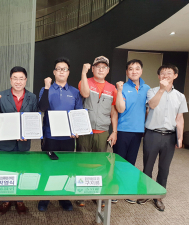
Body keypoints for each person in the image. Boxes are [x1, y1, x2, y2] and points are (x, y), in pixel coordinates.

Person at [137, 64, 188, 211]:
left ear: (175, 76)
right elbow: (152, 105)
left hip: (169, 136)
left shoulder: (180, 96)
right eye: (163, 73)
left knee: (164, 168)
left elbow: (180, 119)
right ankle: (145, 192)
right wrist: (161, 89)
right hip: (152, 134)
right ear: (159, 76)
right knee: (148, 166)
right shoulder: (151, 91)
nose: (165, 75)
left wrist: (180, 138)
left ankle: (158, 196)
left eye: (169, 73)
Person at [0, 66, 38, 215]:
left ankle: (20, 200)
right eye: (15, 78)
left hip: (24, 142)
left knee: (22, 170)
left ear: (26, 80)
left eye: (21, 78)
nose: (18, 81)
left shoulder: (32, 97)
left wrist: (28, 132)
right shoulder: (1, 96)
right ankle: (6, 200)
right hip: (6, 142)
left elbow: (34, 118)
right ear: (10, 79)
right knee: (5, 171)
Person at [37, 57, 83, 212]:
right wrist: (47, 87)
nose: (61, 71)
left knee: (66, 168)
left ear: (68, 72)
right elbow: (42, 108)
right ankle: (45, 198)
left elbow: (78, 114)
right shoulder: (46, 89)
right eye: (58, 68)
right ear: (54, 72)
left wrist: (76, 130)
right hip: (50, 136)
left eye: (64, 69)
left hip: (68, 138)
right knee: (48, 167)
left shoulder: (75, 92)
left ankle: (64, 197)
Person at [76, 56, 118, 207]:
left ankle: (97, 193)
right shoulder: (85, 82)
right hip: (85, 129)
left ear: (108, 70)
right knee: (83, 161)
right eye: (98, 67)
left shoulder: (112, 88)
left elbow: (114, 112)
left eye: (104, 67)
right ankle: (81, 193)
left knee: (100, 163)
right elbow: (85, 94)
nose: (101, 69)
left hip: (102, 130)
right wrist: (83, 72)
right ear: (92, 69)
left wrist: (114, 131)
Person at [113, 59, 150, 204]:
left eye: (137, 68)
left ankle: (127, 190)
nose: (134, 71)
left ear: (141, 71)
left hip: (138, 131)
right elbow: (120, 109)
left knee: (131, 162)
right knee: (119, 162)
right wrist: (120, 91)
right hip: (123, 130)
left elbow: (149, 108)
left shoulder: (147, 88)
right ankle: (115, 191)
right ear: (127, 71)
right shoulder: (121, 87)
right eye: (130, 69)